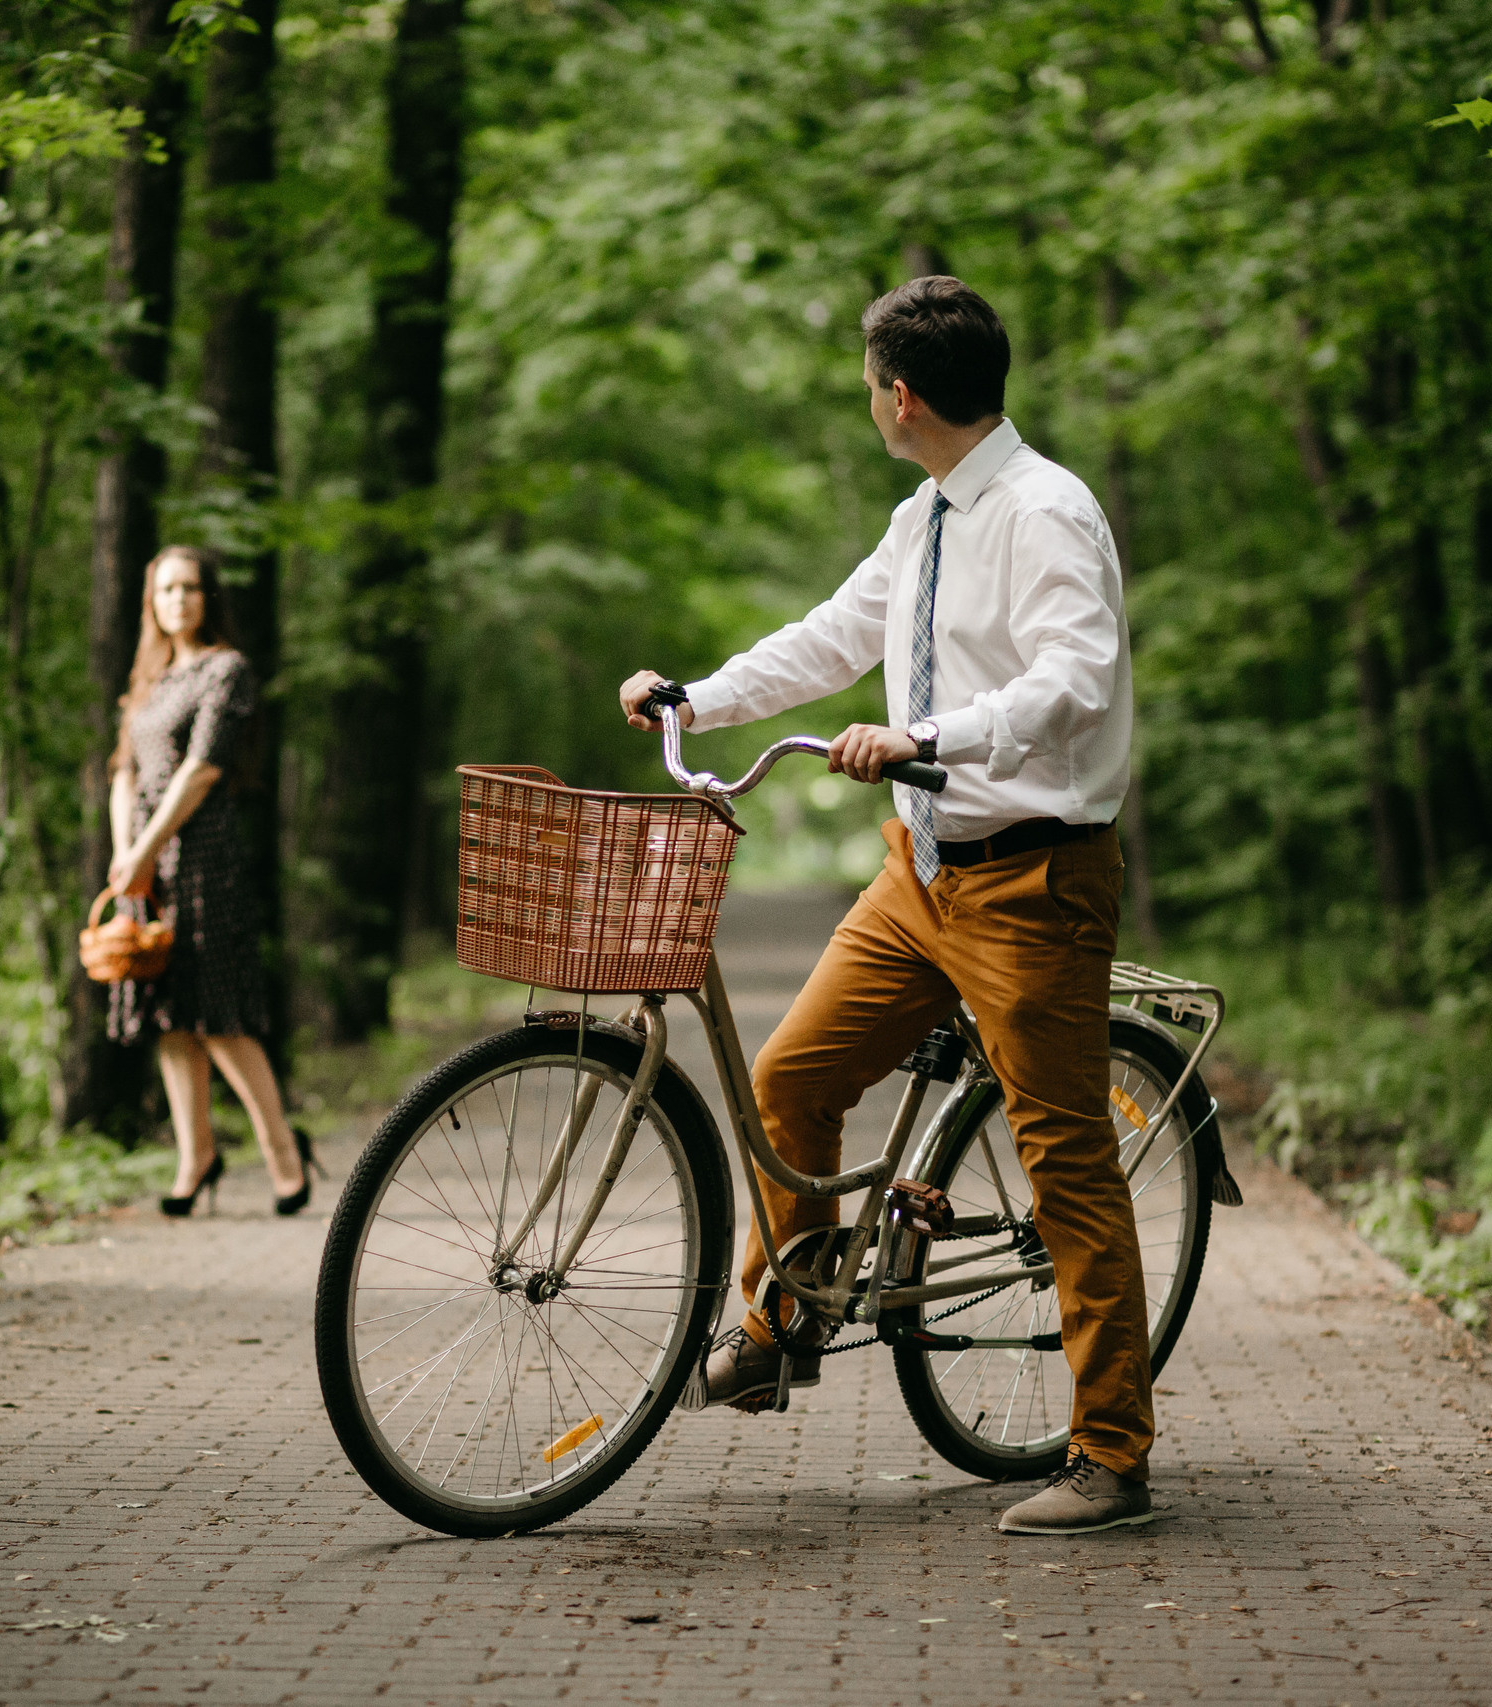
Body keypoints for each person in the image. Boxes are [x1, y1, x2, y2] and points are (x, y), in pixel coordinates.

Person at [617, 276, 1152, 1536]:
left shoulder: (1045, 512)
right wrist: (697, 696)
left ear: (898, 395)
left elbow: (1074, 679)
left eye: (869, 383)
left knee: (1064, 1159)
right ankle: (787, 1317)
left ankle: (1113, 1456)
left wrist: (925, 736)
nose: (871, 399)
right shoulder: (925, 516)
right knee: (790, 1083)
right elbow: (831, 635)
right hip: (919, 875)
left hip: (1033, 883)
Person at [104, 546, 316, 1218]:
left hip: (204, 857)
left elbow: (200, 771)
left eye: (191, 587)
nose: (179, 599)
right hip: (145, 864)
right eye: (166, 588)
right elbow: (122, 771)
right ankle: (195, 1156)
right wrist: (125, 857)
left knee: (221, 1014)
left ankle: (283, 1152)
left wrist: (144, 846)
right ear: (152, 602)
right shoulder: (148, 679)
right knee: (170, 1016)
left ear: (209, 597)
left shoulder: (228, 671)